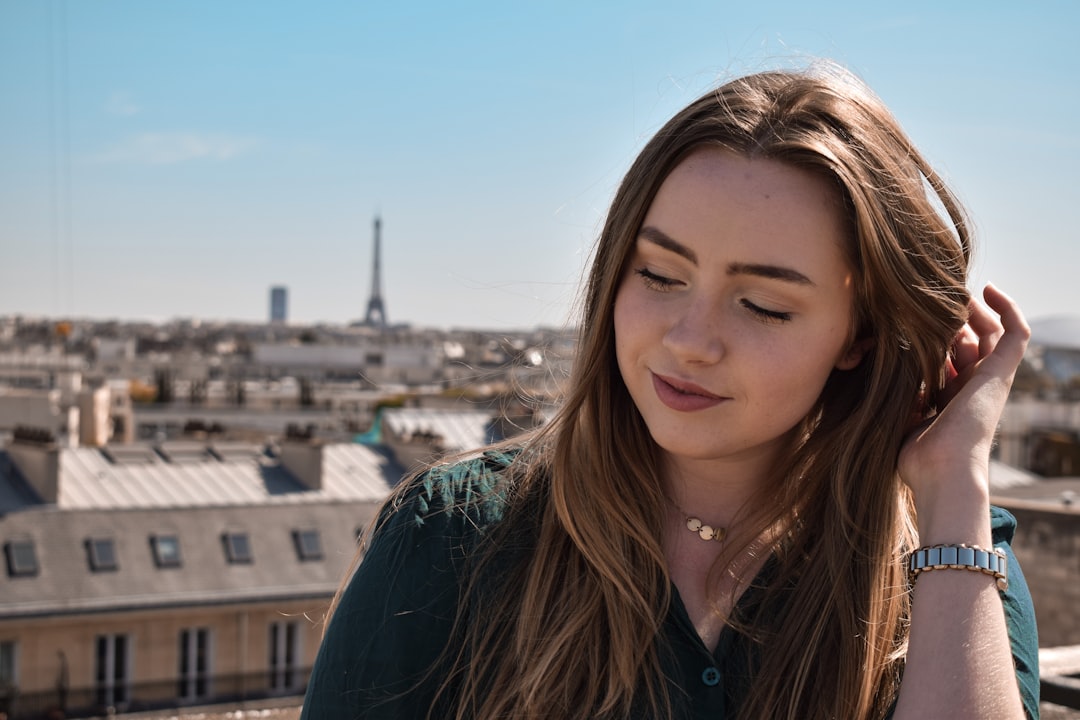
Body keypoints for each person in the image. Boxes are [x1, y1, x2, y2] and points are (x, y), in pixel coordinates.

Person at [301, 64, 1039, 720]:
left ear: (860, 337)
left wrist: (953, 484)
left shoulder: (953, 564)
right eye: (659, 275)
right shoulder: (450, 539)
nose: (690, 340)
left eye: (764, 306)